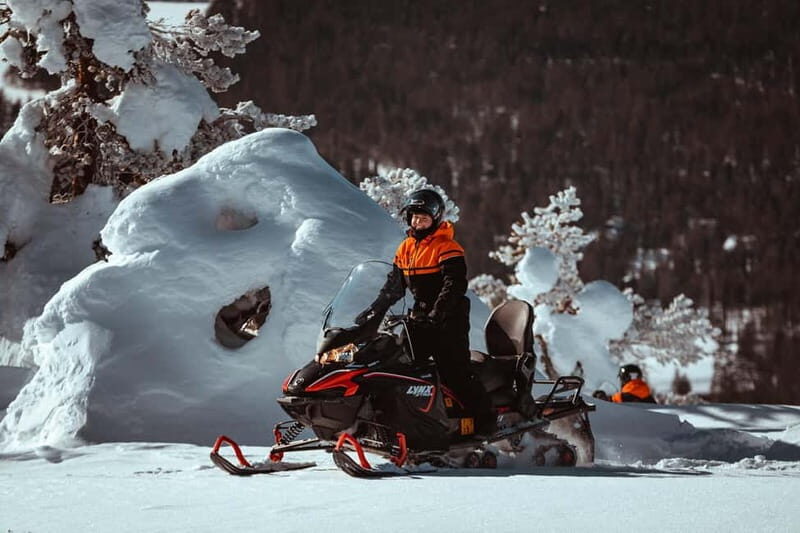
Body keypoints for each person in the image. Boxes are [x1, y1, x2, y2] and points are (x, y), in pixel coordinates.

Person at [356, 189, 496, 436]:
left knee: (454, 371)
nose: (418, 223)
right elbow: (393, 287)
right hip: (420, 319)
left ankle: (486, 421)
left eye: (424, 218)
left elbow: (453, 285)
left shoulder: (447, 247)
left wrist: (437, 313)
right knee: (404, 371)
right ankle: (411, 422)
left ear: (435, 219)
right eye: (414, 218)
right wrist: (372, 312)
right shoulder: (406, 248)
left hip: (448, 319)